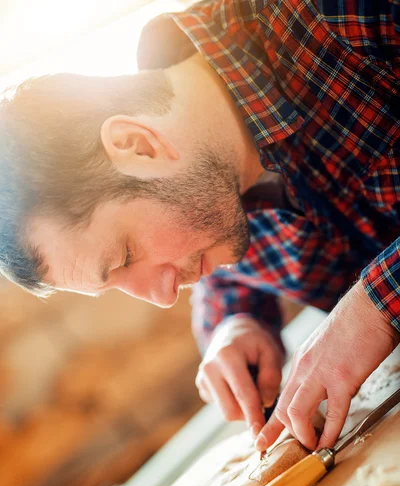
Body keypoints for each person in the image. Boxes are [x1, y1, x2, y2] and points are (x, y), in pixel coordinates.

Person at [1, 0, 399, 454]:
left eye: (125, 256)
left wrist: (377, 305)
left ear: (137, 145)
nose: (165, 296)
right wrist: (235, 324)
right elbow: (230, 271)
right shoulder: (209, 192)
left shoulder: (338, 17)